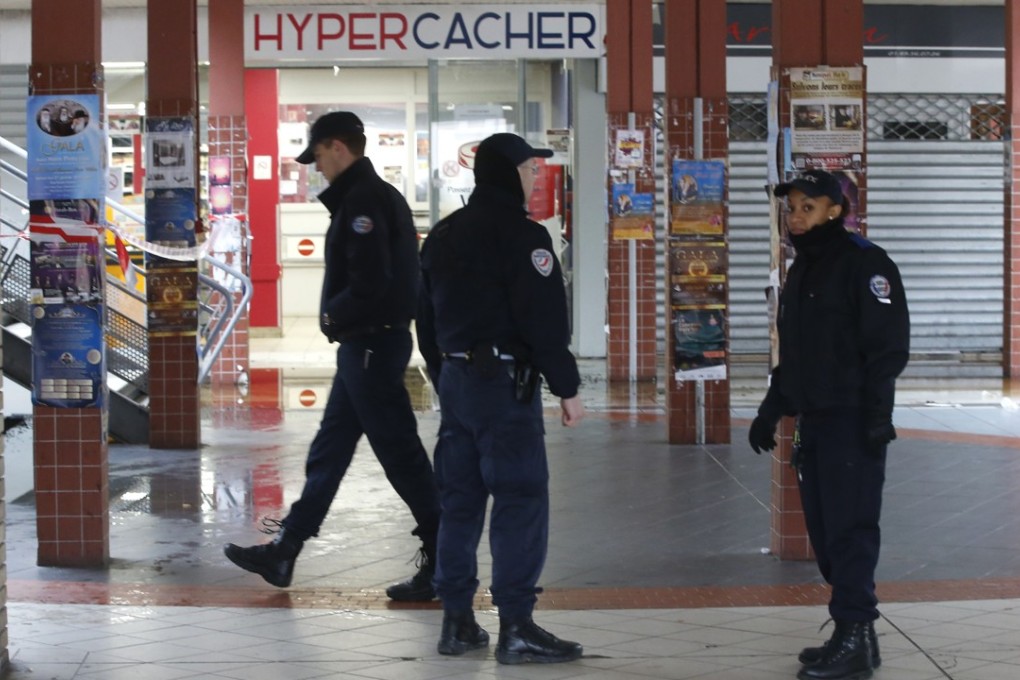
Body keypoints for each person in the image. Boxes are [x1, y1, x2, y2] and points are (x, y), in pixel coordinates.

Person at [223, 111, 441, 602]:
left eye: (318, 155)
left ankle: (444, 554)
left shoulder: (363, 201)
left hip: (370, 345)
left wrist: (330, 316)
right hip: (366, 346)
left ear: (338, 147)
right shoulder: (374, 196)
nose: (315, 167)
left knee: (400, 454)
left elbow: (371, 282)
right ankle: (286, 549)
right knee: (330, 450)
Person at [417, 132, 586, 664]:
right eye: (531, 170)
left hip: (456, 384)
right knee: (520, 497)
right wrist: (567, 388)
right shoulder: (524, 237)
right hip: (503, 386)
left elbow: (425, 316)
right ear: (510, 173)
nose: (537, 178)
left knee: (461, 501)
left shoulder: (443, 235)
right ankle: (516, 626)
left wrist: (446, 370)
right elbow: (544, 323)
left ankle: (457, 622)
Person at [748, 169, 909, 680]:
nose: (795, 217)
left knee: (850, 528)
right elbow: (794, 355)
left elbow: (887, 348)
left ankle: (856, 631)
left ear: (835, 210)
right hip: (815, 420)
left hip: (852, 420)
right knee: (823, 528)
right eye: (791, 208)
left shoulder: (866, 264)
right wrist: (771, 409)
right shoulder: (802, 271)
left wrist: (878, 416)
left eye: (807, 208)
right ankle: (850, 631)